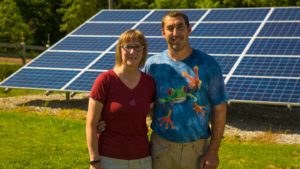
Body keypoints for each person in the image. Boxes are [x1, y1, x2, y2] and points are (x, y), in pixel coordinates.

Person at [143, 11, 228, 169]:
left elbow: (220, 108)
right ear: (163, 33)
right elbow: (144, 106)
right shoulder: (153, 65)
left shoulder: (209, 65)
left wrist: (213, 151)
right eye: (170, 28)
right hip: (161, 149)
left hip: (197, 150)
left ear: (189, 29)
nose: (175, 33)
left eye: (180, 27)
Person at [86, 29, 156, 169]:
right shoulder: (105, 80)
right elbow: (91, 124)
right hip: (109, 158)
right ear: (120, 50)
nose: (132, 52)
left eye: (137, 47)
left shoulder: (149, 83)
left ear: (143, 51)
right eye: (128, 47)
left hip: (142, 159)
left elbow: (153, 115)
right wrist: (94, 161)